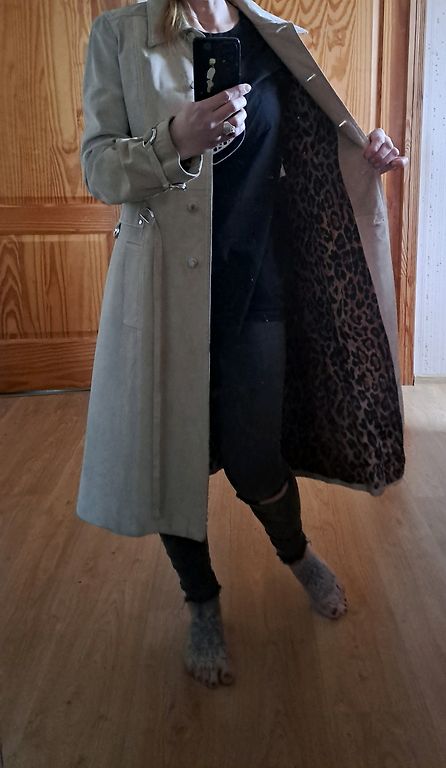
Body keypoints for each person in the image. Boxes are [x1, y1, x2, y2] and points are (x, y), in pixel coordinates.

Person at [76, 0, 408, 690]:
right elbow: (99, 168)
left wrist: (362, 159)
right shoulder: (120, 35)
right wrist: (175, 139)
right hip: (167, 289)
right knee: (175, 458)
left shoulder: (272, 38)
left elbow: (304, 156)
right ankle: (201, 601)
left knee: (257, 460)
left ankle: (297, 553)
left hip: (259, 282)